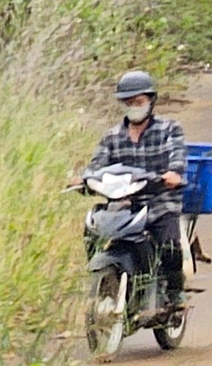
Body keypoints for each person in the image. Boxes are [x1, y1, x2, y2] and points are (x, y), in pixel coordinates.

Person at [86, 69, 187, 316]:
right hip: (123, 202)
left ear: (151, 101)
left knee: (169, 244)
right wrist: (86, 178)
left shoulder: (169, 129)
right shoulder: (112, 136)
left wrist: (173, 174)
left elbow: (177, 157)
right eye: (129, 102)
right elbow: (97, 165)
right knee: (93, 228)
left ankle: (175, 292)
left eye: (139, 102)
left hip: (160, 200)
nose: (134, 107)